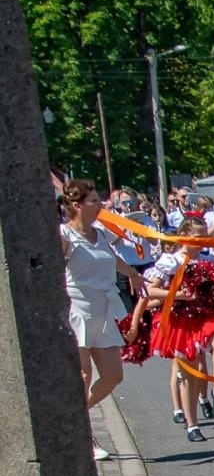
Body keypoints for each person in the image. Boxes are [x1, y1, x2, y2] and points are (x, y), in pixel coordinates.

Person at [59, 180, 144, 460]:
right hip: (77, 309)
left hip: (103, 311)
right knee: (82, 376)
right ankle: (86, 437)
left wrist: (132, 273)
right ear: (76, 206)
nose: (101, 205)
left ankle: (75, 420)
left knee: (112, 376)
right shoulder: (65, 236)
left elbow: (112, 259)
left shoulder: (101, 235)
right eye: (94, 201)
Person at [139, 215, 214, 443]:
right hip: (181, 320)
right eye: (197, 237)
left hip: (205, 315)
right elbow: (149, 291)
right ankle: (192, 425)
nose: (202, 241)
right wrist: (179, 294)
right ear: (184, 235)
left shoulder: (206, 260)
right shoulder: (170, 261)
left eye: (204, 237)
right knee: (188, 374)